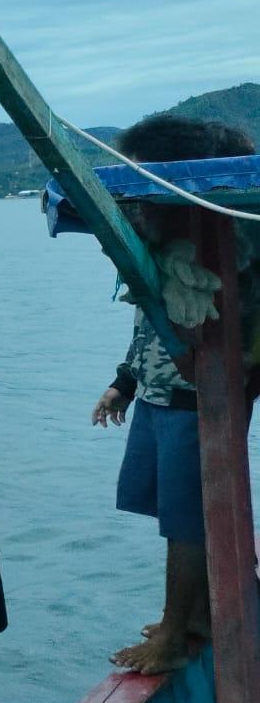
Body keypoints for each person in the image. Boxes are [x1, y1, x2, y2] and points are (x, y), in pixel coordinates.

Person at [90, 112, 256, 673]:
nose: (137, 206)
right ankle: (197, 615)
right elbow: (151, 321)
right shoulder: (166, 251)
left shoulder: (225, 237)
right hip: (159, 392)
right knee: (173, 511)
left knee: (189, 520)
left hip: (198, 398)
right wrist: (124, 382)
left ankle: (173, 632)